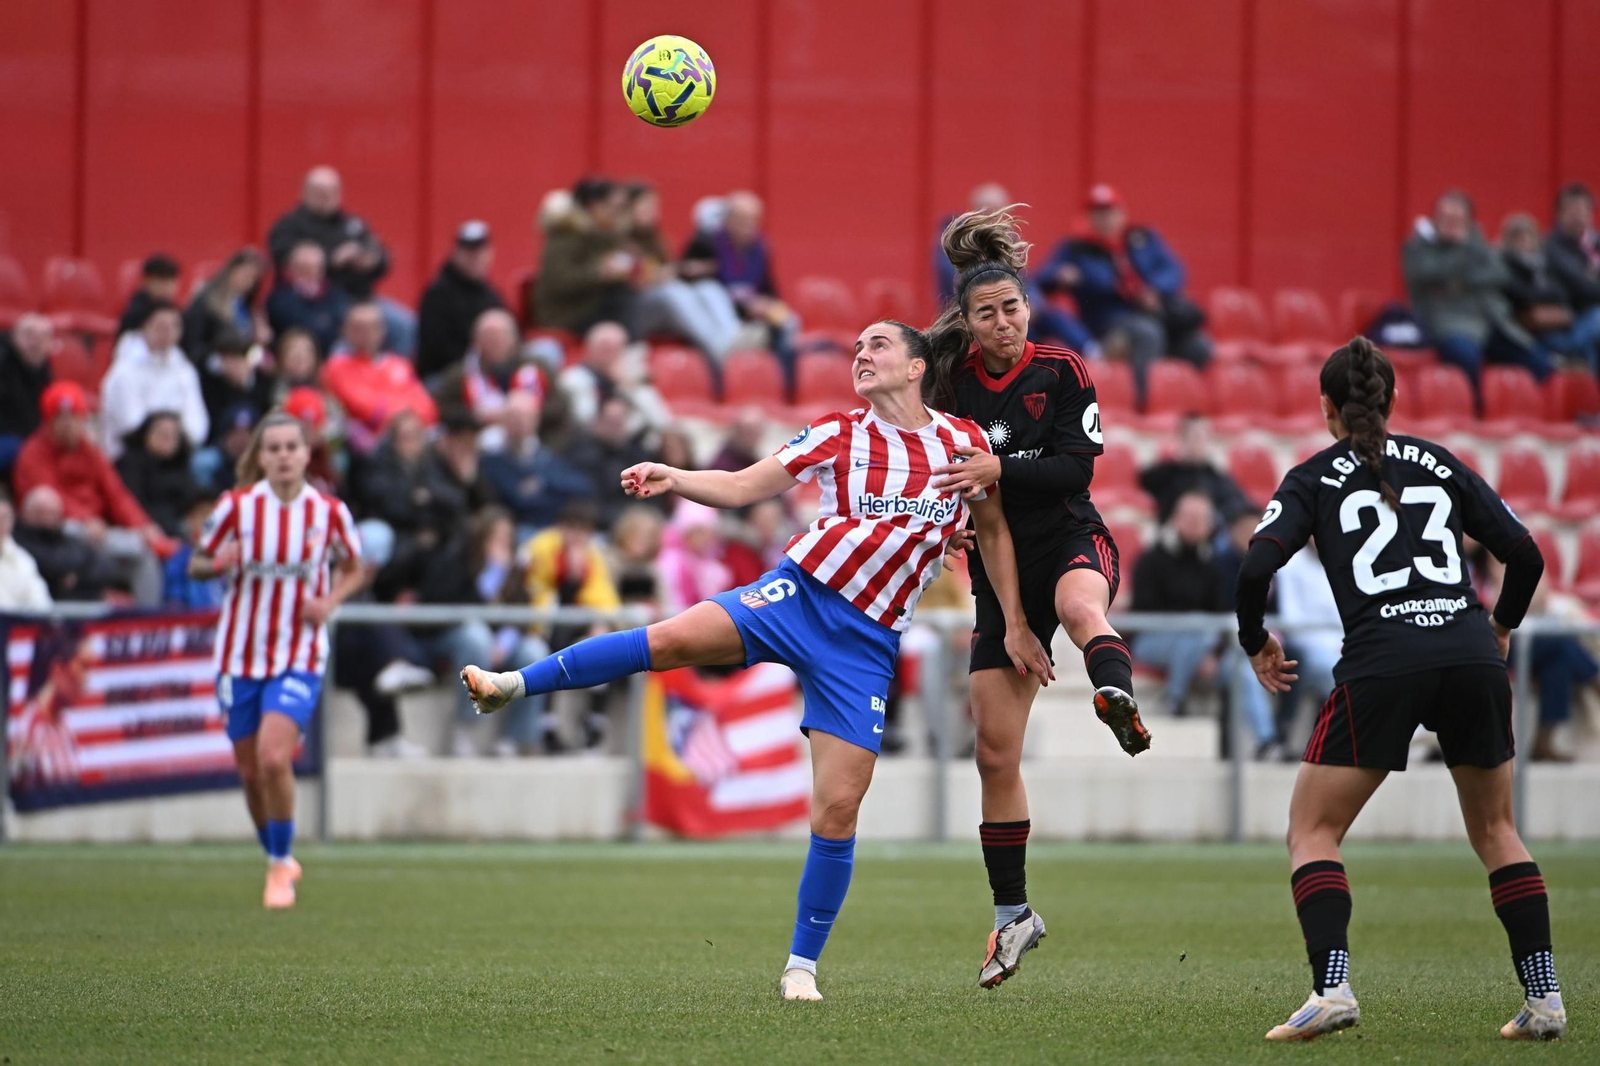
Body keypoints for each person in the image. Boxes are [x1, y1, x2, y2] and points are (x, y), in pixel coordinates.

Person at [460, 320, 1052, 1001]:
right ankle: (512, 684)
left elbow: (995, 527)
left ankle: (801, 966)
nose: (861, 355)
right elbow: (746, 487)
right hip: (798, 596)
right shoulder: (839, 432)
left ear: (917, 367)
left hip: (865, 642)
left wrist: (1011, 621)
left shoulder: (963, 442)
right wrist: (676, 475)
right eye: (855, 347)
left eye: (877, 346)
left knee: (837, 807)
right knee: (669, 641)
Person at [1236, 337, 1564, 1041]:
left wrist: (1254, 642)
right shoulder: (1441, 461)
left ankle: (1331, 990)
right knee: (1498, 831)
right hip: (1470, 653)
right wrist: (1499, 629)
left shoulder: (1313, 477)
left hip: (1385, 660)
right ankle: (1544, 1000)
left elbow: (1252, 571)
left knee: (1314, 830)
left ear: (1328, 409)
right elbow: (1527, 555)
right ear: (1390, 403)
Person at [919, 206, 1150, 988]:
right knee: (994, 752)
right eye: (987, 313)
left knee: (1087, 614)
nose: (1004, 322)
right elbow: (959, 489)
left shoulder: (1061, 369)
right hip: (997, 562)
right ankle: (1011, 917)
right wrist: (955, 525)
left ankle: (1116, 697)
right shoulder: (950, 385)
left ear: (1028, 306)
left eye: (1012, 307)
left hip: (1067, 538)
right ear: (970, 325)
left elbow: (1074, 474)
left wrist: (996, 471)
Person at [188, 411, 366, 910]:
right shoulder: (236, 508)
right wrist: (218, 562)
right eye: (275, 448)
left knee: (272, 757)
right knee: (249, 772)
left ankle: (278, 867)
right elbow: (197, 561)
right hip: (238, 656)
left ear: (307, 454)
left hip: (299, 652)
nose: (284, 456)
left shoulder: (328, 512)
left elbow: (355, 567)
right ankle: (278, 854)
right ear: (260, 457)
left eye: (293, 447)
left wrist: (330, 602)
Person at [13, 382, 174, 604]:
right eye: (61, 418)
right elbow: (48, 499)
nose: (68, 425)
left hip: (98, 533)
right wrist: (84, 519)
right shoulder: (33, 453)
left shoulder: (90, 452)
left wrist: (141, 524)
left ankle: (147, 622)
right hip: (57, 534)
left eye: (74, 417)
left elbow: (117, 494)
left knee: (144, 558)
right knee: (82, 532)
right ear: (48, 421)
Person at [1045, 185, 1211, 390]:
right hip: (1111, 322)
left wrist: (1153, 290)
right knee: (1148, 333)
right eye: (1098, 214)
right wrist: (1060, 275)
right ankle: (1144, 402)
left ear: (1122, 214)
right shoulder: (1075, 249)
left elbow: (1174, 270)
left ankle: (1185, 406)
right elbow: (1043, 277)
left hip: (1157, 315)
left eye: (1110, 212)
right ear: (1088, 218)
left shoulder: (1144, 238)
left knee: (1198, 345)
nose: (1105, 219)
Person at [267, 165, 412, 353]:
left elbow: (382, 259)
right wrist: (334, 259)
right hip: (315, 303)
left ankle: (388, 378)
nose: (326, 197)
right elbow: (283, 258)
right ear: (304, 192)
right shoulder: (289, 226)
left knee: (404, 327)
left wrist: (370, 260)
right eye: (319, 192)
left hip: (362, 299)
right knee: (341, 334)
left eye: (331, 191)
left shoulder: (353, 224)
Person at [1402, 190, 1538, 388]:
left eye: (1457, 219)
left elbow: (1500, 273)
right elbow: (1428, 273)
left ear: (1467, 222)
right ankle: (1475, 413)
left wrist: (1460, 282)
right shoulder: (1418, 247)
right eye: (1445, 217)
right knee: (1465, 356)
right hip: (1447, 324)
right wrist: (1463, 253)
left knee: (1539, 361)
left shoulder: (1475, 243)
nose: (1450, 223)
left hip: (1489, 322)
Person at [320, 301, 437, 453]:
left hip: (414, 434)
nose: (367, 333)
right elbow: (366, 408)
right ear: (345, 330)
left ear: (382, 330)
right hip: (370, 445)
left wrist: (410, 421)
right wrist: (404, 417)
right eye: (359, 328)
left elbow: (426, 405)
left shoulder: (399, 364)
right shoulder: (335, 367)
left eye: (373, 327)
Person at [99, 303, 209, 458]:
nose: (168, 332)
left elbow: (198, 425)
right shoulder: (124, 371)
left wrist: (175, 438)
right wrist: (163, 433)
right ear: (145, 327)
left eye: (174, 326)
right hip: (131, 457)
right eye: (161, 326)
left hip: (177, 457)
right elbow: (129, 423)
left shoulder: (185, 371)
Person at [430, 308, 548, 449]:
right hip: (478, 444)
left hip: (537, 440)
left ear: (514, 339)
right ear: (476, 341)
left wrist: (525, 415)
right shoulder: (461, 374)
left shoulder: (535, 367)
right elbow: (440, 409)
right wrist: (474, 417)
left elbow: (559, 406)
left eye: (501, 336)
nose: (495, 342)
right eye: (489, 337)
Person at [535, 176, 637, 335]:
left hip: (592, 306)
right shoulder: (566, 234)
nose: (618, 214)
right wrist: (599, 272)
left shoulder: (607, 233)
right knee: (621, 300)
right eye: (614, 207)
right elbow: (559, 280)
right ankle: (631, 349)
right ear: (595, 206)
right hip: (566, 314)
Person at [416, 220, 506, 380]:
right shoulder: (437, 294)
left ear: (489, 254)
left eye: (480, 251)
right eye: (469, 252)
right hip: (445, 376)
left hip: (487, 374)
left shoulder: (491, 295)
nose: (475, 258)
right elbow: (437, 350)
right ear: (456, 253)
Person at [1138, 413, 1251, 524]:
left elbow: (1237, 504)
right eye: (1195, 436)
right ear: (1181, 438)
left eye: (1205, 436)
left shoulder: (1216, 477)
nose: (1200, 442)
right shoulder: (1163, 474)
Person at [114, 411, 203, 539]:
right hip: (143, 530)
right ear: (146, 434)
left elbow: (192, 499)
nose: (168, 438)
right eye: (162, 433)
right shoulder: (129, 463)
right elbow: (130, 504)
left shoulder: (180, 465)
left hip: (177, 532)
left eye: (174, 434)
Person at [266, 242, 351, 356]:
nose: (308, 272)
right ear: (292, 268)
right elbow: (296, 323)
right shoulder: (280, 296)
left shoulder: (336, 294)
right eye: (303, 267)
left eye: (313, 266)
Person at [184, 248, 267, 366]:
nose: (249, 281)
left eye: (253, 278)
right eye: (245, 274)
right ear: (231, 270)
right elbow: (193, 343)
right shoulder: (207, 300)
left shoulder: (246, 306)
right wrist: (219, 363)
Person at [0, 313, 55, 474]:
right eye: (28, 334)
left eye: (43, 336)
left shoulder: (45, 373)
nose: (35, 342)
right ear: (13, 337)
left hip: (29, 440)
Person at [1547, 183, 1600, 329]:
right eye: (1573, 211)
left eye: (1584, 210)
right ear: (1559, 214)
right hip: (1575, 317)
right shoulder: (1552, 247)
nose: (1579, 217)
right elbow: (1583, 286)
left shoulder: (1594, 242)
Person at [0, 489, 52, 611]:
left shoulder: (23, 559)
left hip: (15, 627)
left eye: (5, 517)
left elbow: (41, 603)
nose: (1, 523)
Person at [116, 253, 181, 339]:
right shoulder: (135, 314)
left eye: (172, 281)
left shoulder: (175, 310)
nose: (168, 286)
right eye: (162, 280)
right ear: (147, 281)